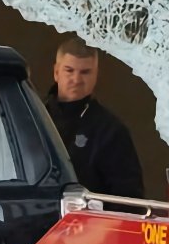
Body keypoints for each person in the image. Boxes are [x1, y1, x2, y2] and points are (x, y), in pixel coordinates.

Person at [44, 36, 146, 198]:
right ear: (56, 73)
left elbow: (129, 197)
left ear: (96, 75)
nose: (76, 79)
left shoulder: (111, 131)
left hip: (87, 220)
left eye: (85, 72)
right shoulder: (33, 118)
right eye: (69, 70)